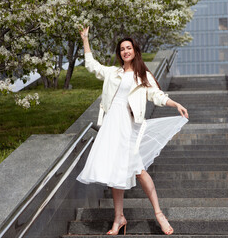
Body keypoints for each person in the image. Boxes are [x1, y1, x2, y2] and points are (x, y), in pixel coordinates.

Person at [76, 27, 189, 236]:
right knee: (115, 173)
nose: (125, 51)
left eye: (128, 48)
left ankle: (159, 214)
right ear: (119, 54)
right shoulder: (113, 73)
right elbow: (92, 66)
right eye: (122, 49)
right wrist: (85, 40)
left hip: (130, 127)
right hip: (112, 126)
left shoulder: (143, 75)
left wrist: (176, 105)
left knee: (139, 171)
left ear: (135, 51)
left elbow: (158, 96)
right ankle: (118, 218)